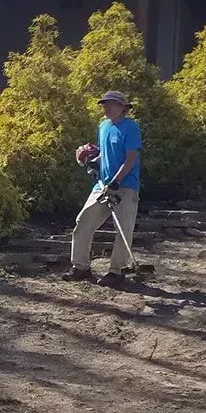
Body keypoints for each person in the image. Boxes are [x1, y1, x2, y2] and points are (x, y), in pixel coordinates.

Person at [68, 89, 141, 283]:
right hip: (102, 185)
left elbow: (131, 158)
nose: (106, 107)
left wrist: (116, 181)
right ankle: (80, 267)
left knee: (123, 229)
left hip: (125, 186)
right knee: (83, 222)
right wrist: (94, 162)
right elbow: (105, 154)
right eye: (104, 104)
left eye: (111, 104)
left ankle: (117, 272)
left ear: (122, 108)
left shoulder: (130, 127)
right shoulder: (103, 126)